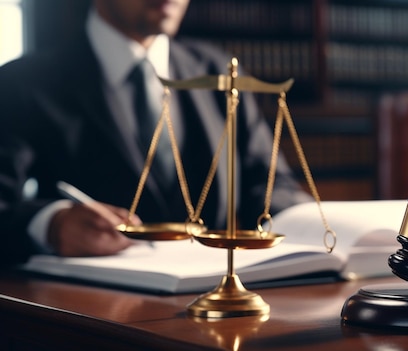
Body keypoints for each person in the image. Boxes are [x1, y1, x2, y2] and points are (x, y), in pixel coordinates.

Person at [0, 0, 311, 265]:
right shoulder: (23, 83)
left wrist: (314, 222)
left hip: (212, 298)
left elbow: (270, 185)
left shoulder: (218, 72)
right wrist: (49, 224)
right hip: (94, 315)